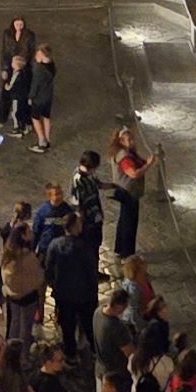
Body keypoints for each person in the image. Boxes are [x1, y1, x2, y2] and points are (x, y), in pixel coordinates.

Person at [45, 216, 100, 362]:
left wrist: (54, 285)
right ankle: (95, 351)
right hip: (84, 296)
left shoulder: (55, 245)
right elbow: (91, 272)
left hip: (63, 295)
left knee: (67, 327)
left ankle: (71, 354)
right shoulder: (84, 247)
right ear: (75, 227)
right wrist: (93, 293)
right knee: (88, 325)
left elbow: (49, 269)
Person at [0, 226, 47, 356]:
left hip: (12, 297)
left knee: (14, 324)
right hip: (28, 297)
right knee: (26, 328)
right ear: (23, 236)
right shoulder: (28, 258)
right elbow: (38, 279)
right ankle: (23, 357)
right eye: (29, 231)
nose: (32, 232)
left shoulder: (7, 255)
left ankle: (10, 353)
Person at [110, 127, 153, 258]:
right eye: (129, 140)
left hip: (128, 191)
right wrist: (148, 165)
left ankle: (119, 249)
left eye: (132, 139)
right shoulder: (124, 156)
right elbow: (133, 173)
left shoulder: (129, 152)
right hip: (128, 192)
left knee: (124, 220)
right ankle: (127, 254)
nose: (132, 142)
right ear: (121, 141)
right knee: (129, 223)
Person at [24, 41, 58, 144]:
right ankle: (48, 138)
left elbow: (35, 85)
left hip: (39, 98)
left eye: (38, 54)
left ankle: (41, 139)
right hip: (48, 96)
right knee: (46, 117)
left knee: (35, 118)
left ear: (43, 55)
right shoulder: (52, 65)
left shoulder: (39, 69)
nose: (36, 56)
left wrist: (30, 97)